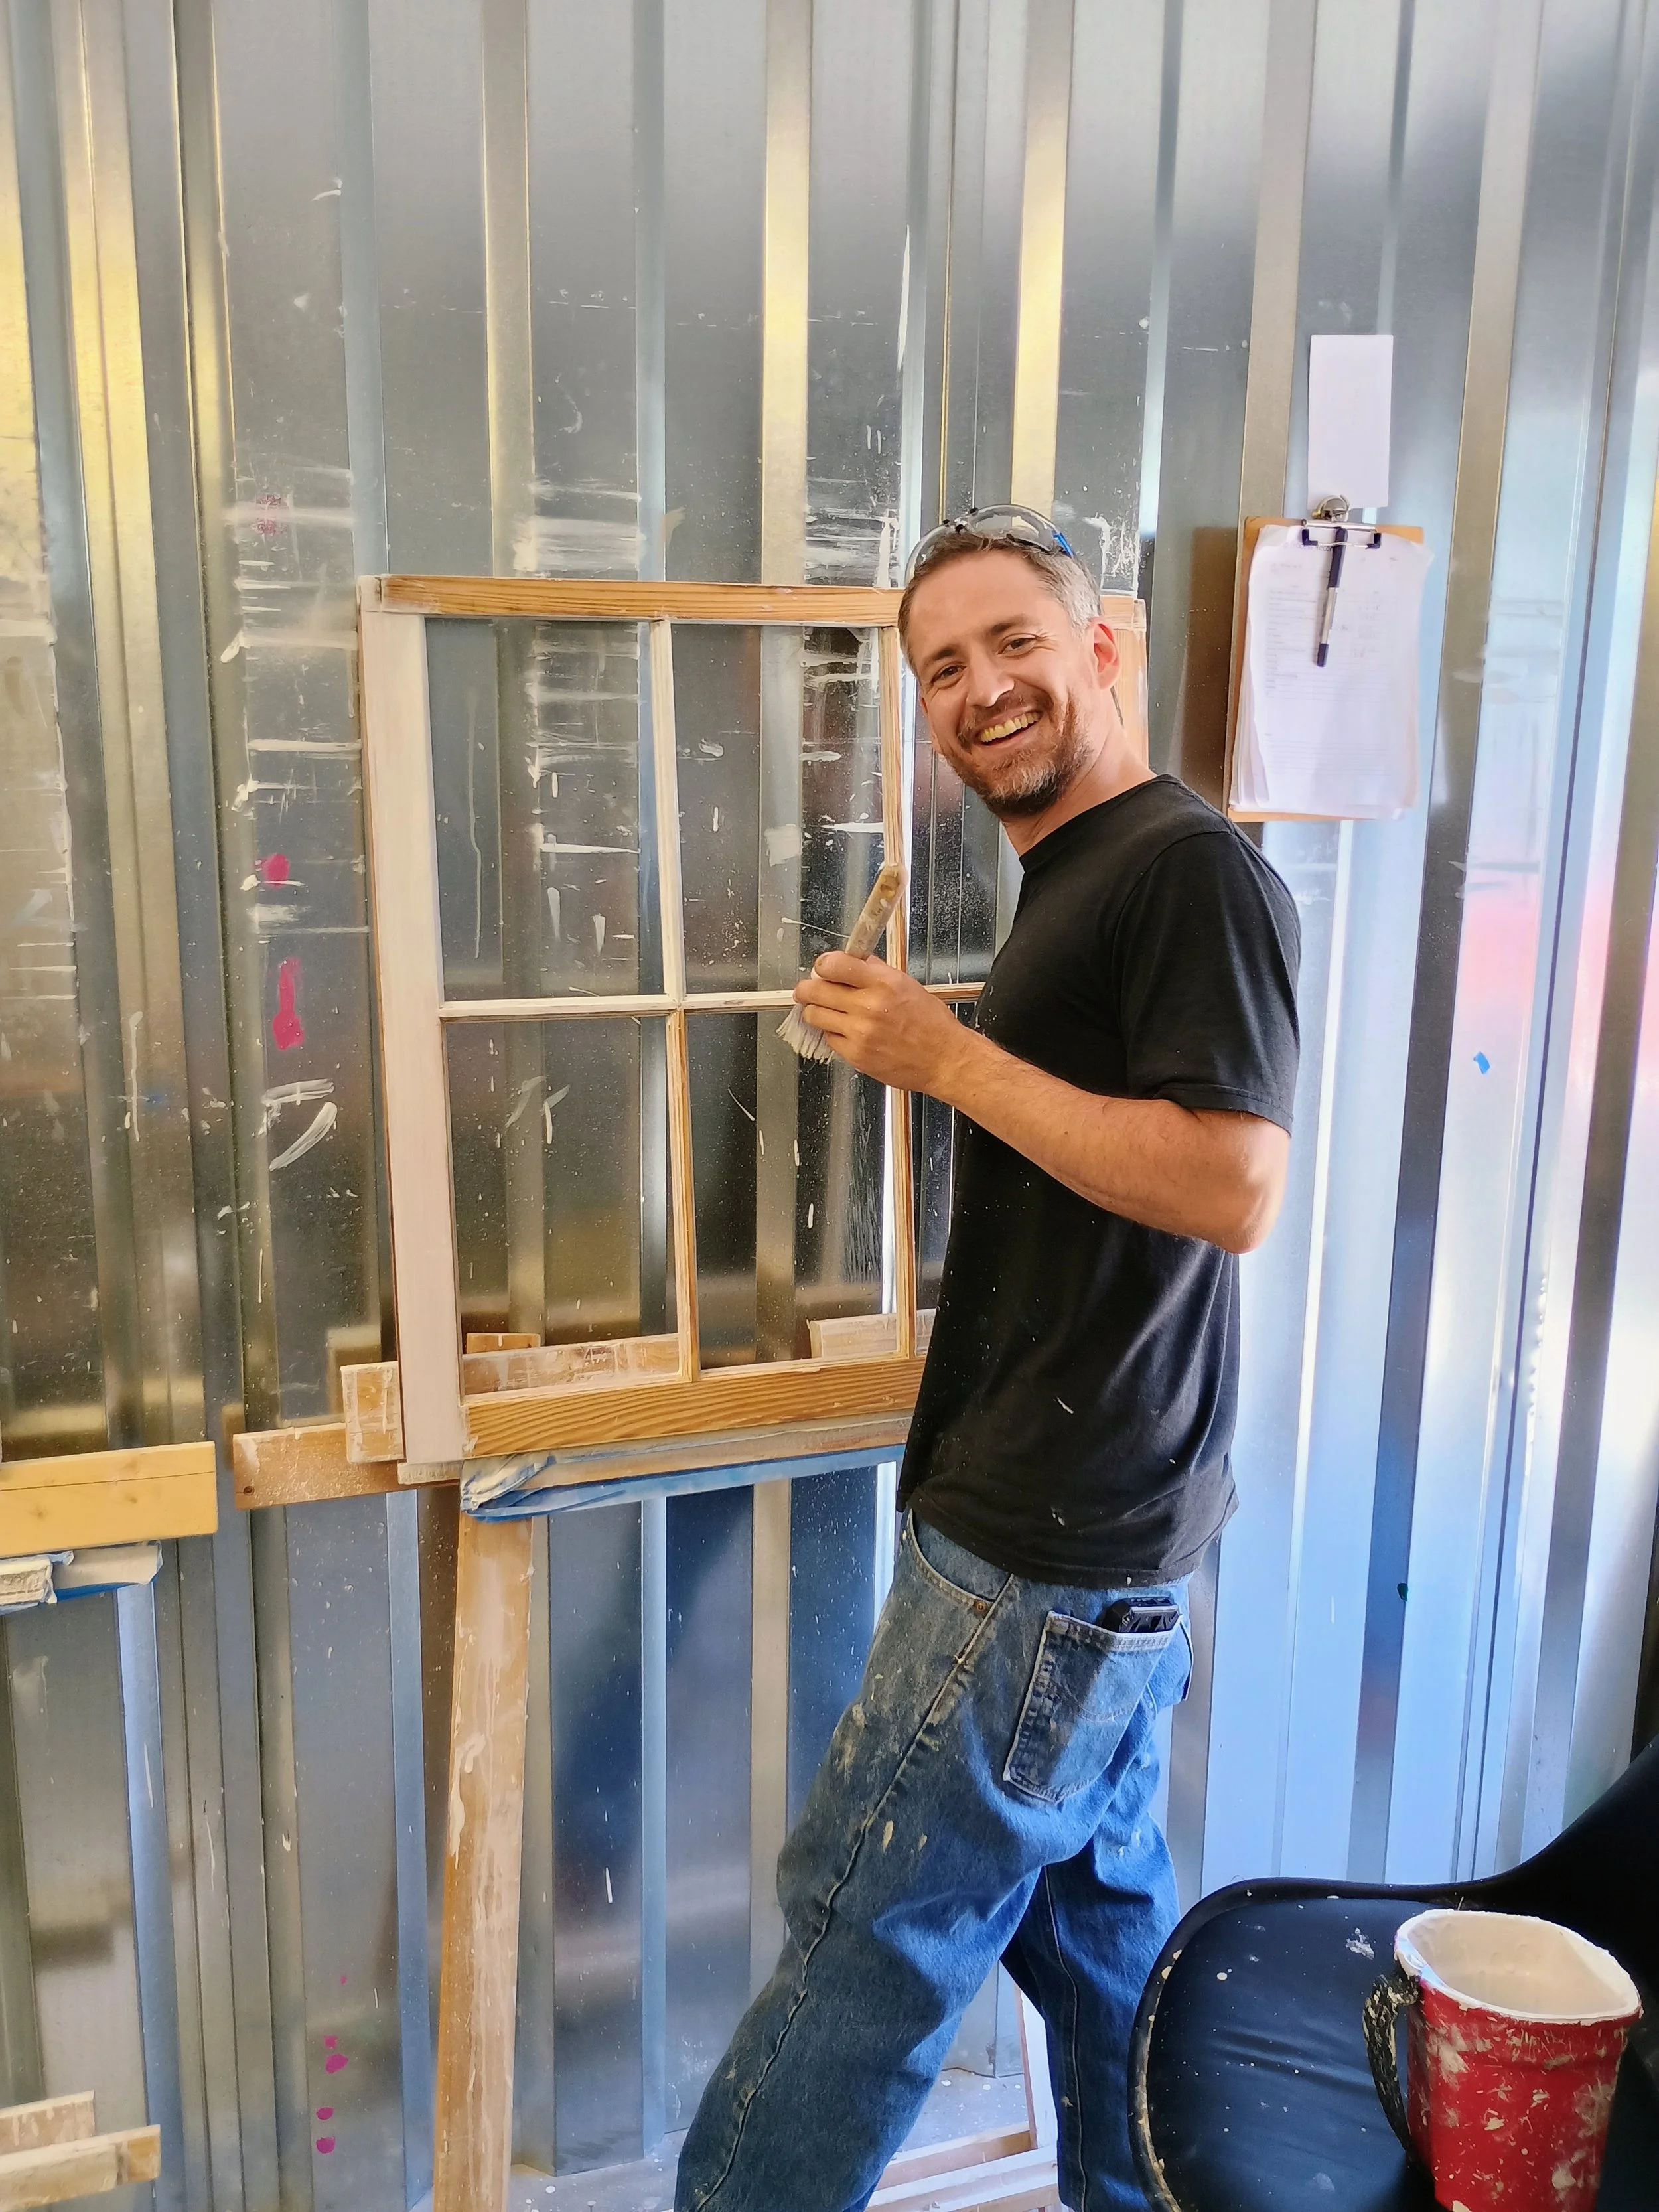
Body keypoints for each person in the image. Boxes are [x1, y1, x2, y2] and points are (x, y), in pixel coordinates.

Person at [674, 507, 1301, 2212]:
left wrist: (943, 1057)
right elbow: (1106, 1145)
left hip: (1040, 1546)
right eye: (939, 667)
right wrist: (938, 1051)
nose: (979, 689)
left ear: (1099, 648)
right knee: (1105, 1963)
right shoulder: (1078, 874)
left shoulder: (1182, 867)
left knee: (858, 1942)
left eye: (1013, 642)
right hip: (1101, 1538)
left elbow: (1230, 1182)